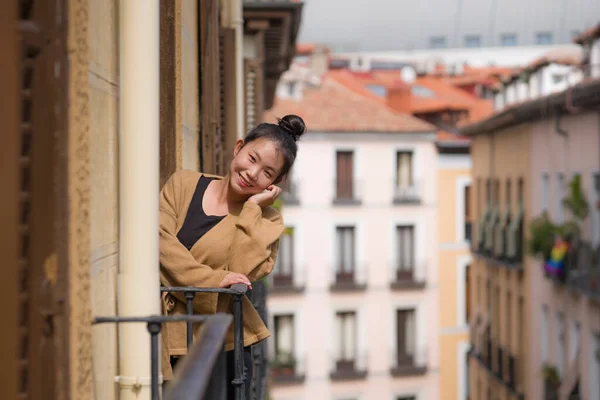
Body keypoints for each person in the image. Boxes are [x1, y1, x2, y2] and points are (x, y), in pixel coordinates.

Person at [159, 114, 305, 399]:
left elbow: (240, 270)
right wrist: (214, 280)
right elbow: (159, 244)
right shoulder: (182, 184)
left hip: (221, 346)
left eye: (267, 172)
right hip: (168, 339)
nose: (252, 173)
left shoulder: (268, 221)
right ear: (238, 147)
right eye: (252, 158)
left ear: (276, 182)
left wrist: (252, 209)